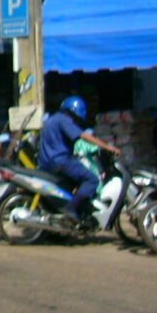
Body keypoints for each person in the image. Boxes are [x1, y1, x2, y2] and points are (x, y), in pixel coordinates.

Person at [38, 95, 121, 224]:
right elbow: (83, 136)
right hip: (60, 161)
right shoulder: (65, 120)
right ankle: (70, 208)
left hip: (47, 163)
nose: (75, 120)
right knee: (92, 179)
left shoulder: (51, 119)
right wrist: (107, 146)